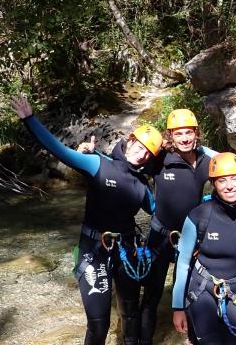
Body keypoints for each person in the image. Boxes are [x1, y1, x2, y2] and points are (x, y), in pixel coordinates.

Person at [10, 94, 162, 345]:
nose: (142, 154)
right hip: (94, 253)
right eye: (140, 146)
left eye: (148, 153)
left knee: (131, 318)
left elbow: (162, 210)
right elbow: (59, 150)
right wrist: (30, 119)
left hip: (127, 252)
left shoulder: (142, 185)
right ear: (130, 140)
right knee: (99, 325)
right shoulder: (97, 164)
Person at [78, 108, 218, 344]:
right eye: (178, 133)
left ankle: (193, 338)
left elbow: (229, 165)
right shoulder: (161, 159)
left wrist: (202, 149)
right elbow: (126, 163)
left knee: (193, 292)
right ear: (170, 136)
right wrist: (97, 155)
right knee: (151, 299)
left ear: (196, 133)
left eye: (189, 133)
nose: (184, 138)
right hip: (160, 237)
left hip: (190, 238)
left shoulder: (205, 162)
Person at [172, 152, 236, 344]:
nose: (229, 186)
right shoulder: (199, 215)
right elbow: (183, 263)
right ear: (214, 185)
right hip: (202, 290)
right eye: (222, 181)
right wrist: (178, 308)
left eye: (234, 178)